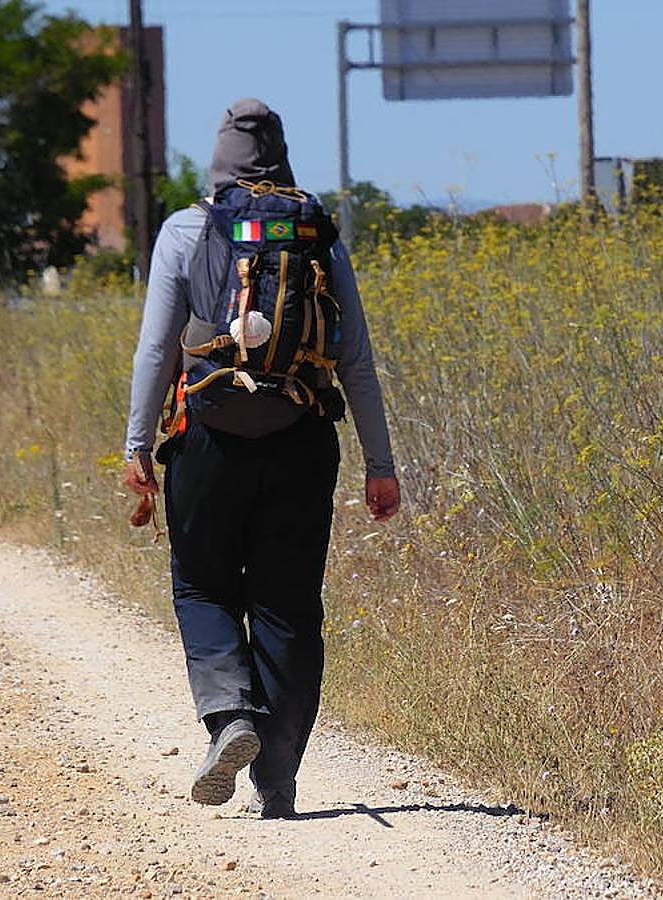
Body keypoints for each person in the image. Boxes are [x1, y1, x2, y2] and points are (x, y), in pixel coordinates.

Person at [122, 98, 400, 819]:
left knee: (204, 589)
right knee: (286, 606)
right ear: (281, 154)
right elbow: (357, 361)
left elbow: (158, 349)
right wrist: (380, 463)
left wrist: (136, 446)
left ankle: (229, 718)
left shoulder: (188, 228)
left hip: (208, 438)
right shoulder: (317, 235)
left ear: (217, 156)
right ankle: (277, 783)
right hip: (303, 439)